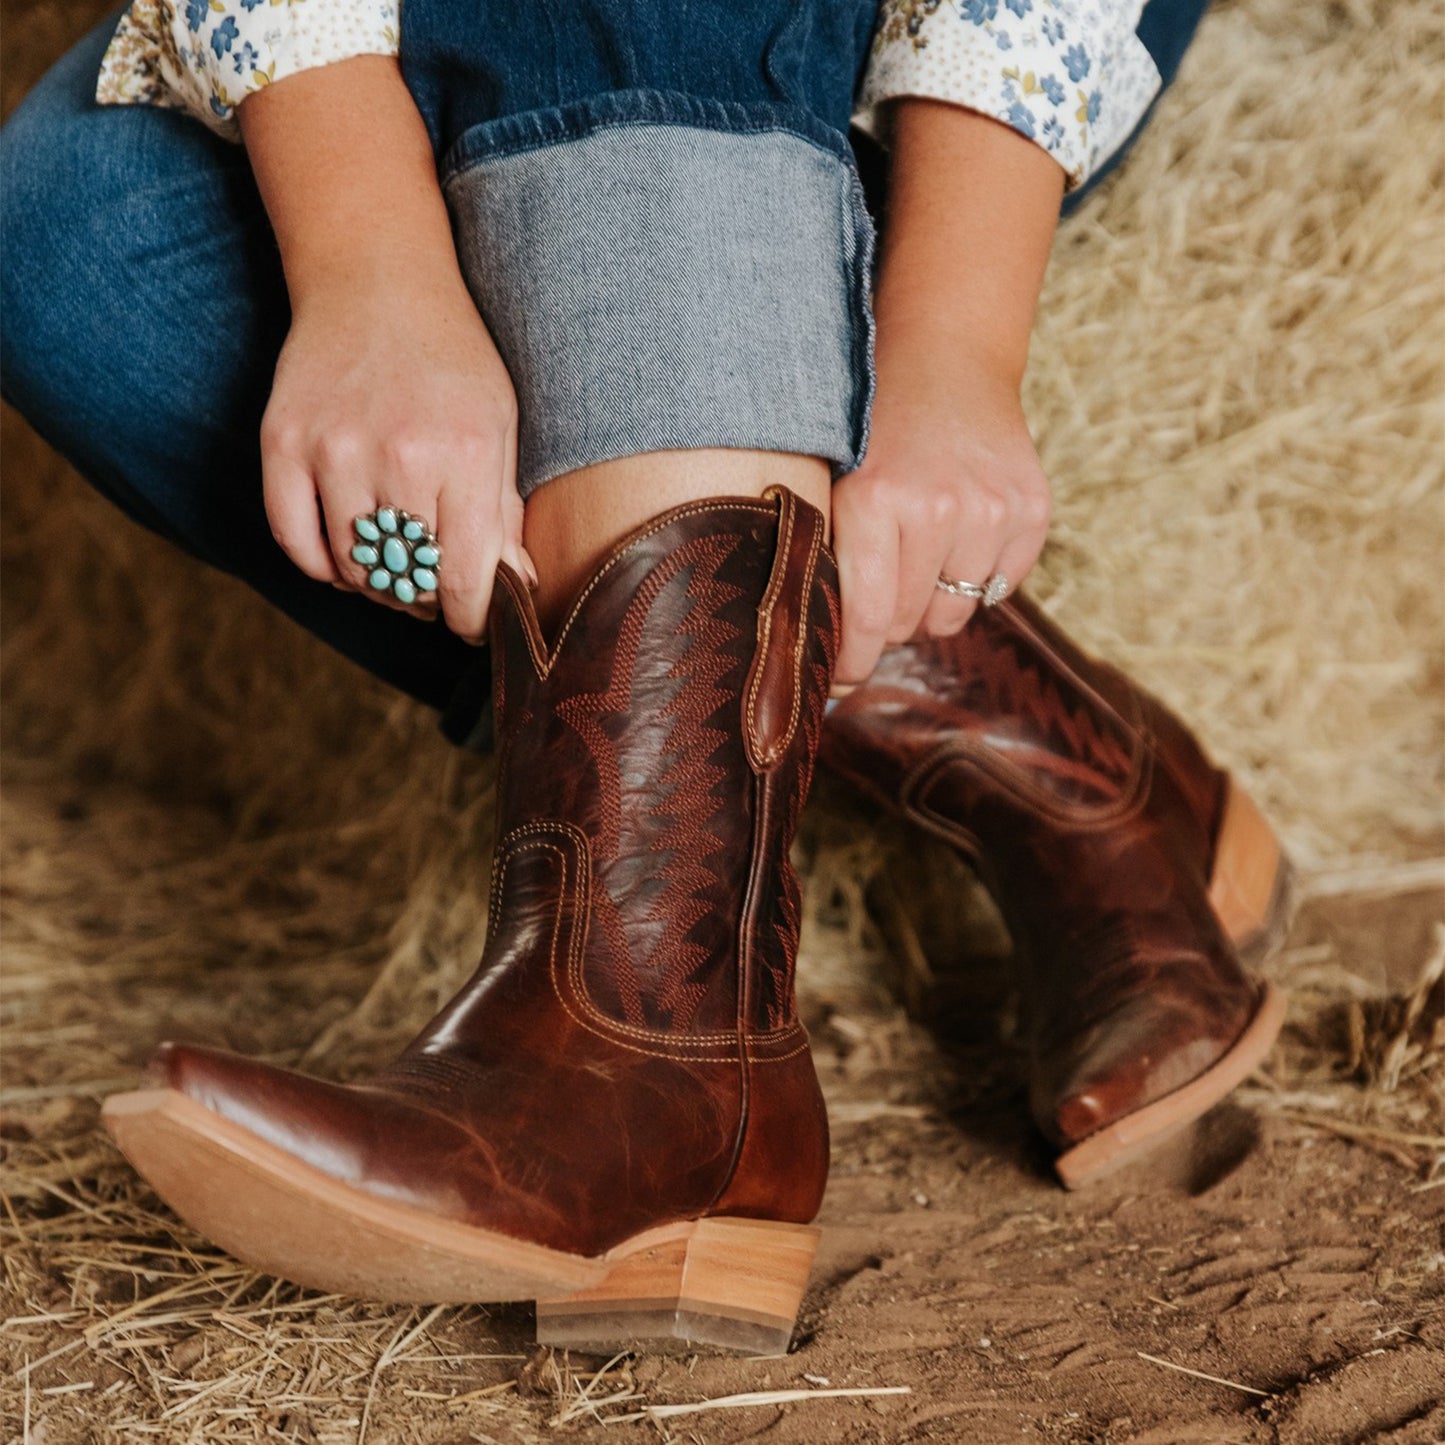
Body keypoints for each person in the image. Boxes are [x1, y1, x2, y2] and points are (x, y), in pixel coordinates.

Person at [0, 0, 1288, 1355]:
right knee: (87, 230)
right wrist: (367, 266)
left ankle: (642, 1034)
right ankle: (1070, 779)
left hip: (936, 62)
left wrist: (950, 346)